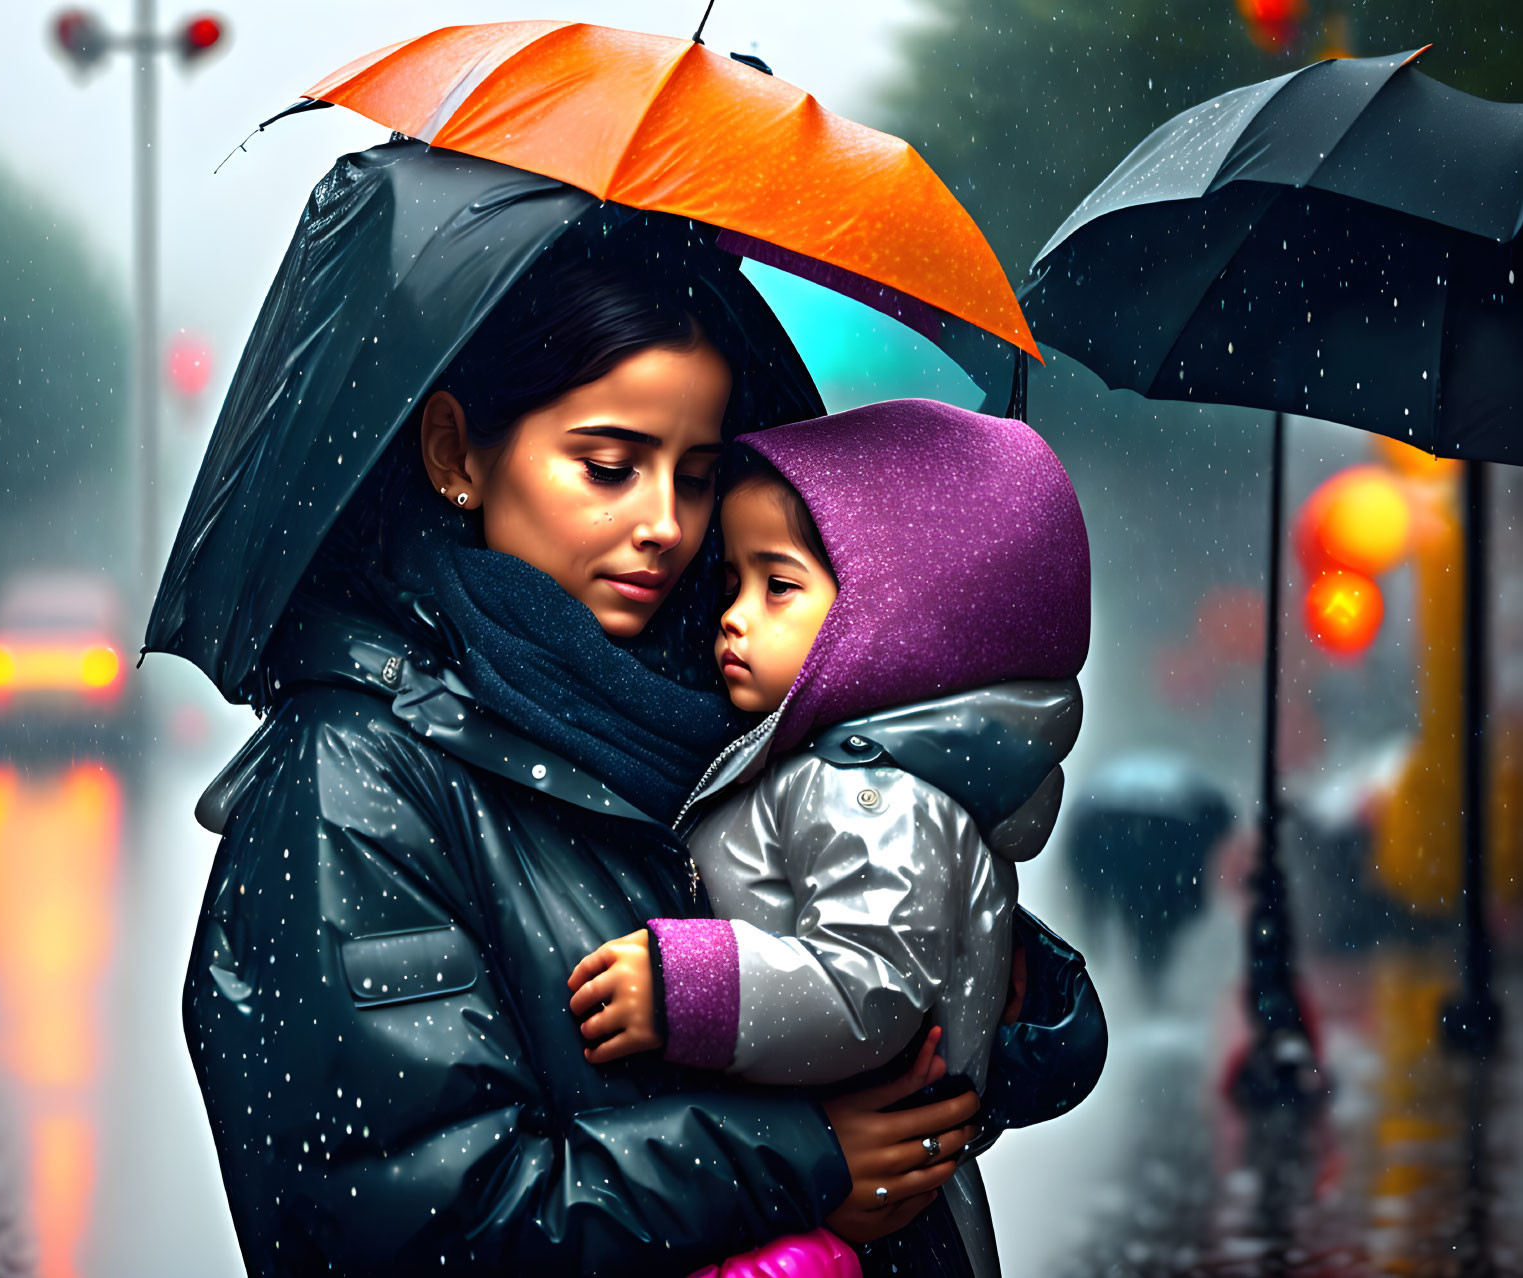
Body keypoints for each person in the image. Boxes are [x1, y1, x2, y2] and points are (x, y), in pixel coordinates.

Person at [175, 157, 1019, 1277]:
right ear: (455, 456)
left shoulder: (730, 711)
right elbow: (411, 1226)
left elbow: (887, 1036)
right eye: (610, 467)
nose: (666, 526)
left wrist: (996, 976)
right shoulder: (350, 788)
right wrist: (800, 1160)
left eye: (697, 473)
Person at [566, 400, 1093, 1276]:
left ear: (895, 627)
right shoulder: (827, 772)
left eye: (777, 586)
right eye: (733, 581)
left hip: (861, 1223)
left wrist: (684, 988)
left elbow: (870, 986)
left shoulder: (868, 794)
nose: (732, 616)